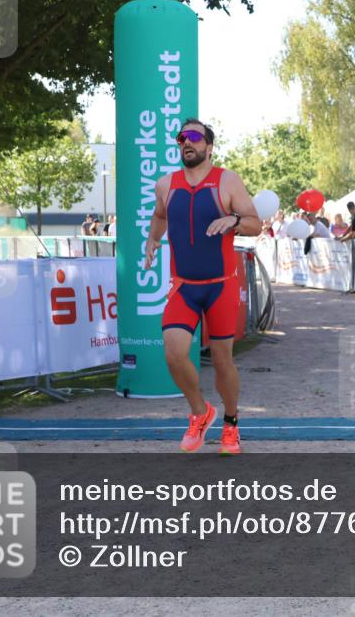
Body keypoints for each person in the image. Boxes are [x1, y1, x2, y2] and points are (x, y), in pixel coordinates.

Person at [143, 118, 259, 456]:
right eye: (181, 138)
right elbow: (161, 215)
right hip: (184, 286)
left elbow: (256, 223)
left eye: (194, 137)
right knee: (174, 353)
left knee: (223, 362)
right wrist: (152, 239)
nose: (186, 143)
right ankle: (200, 412)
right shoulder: (166, 184)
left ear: (209, 146)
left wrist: (234, 220)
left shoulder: (227, 181)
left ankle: (232, 423)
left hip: (220, 286)